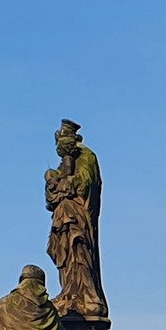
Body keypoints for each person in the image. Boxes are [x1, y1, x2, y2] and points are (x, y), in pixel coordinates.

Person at [45, 120, 106, 317]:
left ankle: (86, 295)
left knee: (79, 251)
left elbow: (85, 183)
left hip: (78, 218)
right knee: (65, 254)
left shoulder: (86, 156)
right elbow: (51, 200)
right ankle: (70, 293)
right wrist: (52, 182)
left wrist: (65, 183)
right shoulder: (66, 161)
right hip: (63, 217)